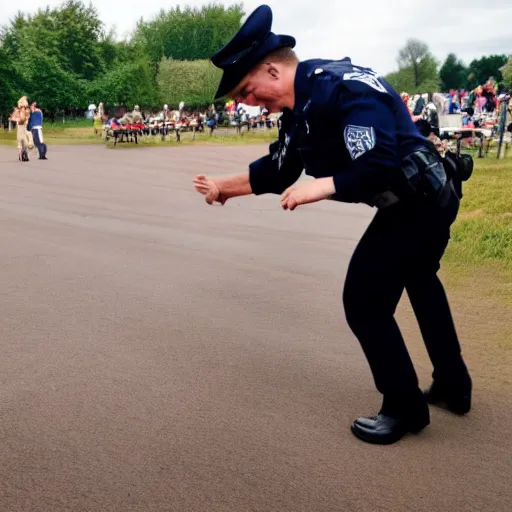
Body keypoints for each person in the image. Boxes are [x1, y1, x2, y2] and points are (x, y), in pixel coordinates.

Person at [193, 4, 472, 445]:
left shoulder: (341, 88)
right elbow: (281, 169)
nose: (248, 103)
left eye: (247, 91)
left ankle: (404, 407)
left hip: (421, 201)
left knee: (363, 301)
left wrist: (322, 186)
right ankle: (454, 386)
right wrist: (225, 187)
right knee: (420, 278)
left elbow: (378, 163)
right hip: (419, 199)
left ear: (271, 70)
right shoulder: (301, 106)